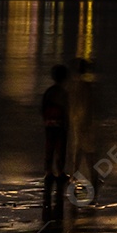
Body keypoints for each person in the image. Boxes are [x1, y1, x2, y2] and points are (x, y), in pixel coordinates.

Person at [67, 57, 100, 203]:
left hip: (79, 123)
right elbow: (88, 107)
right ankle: (92, 179)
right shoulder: (85, 86)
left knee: (80, 152)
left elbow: (78, 106)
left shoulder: (75, 86)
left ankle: (76, 178)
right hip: (83, 124)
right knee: (87, 153)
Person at [41, 63, 70, 219]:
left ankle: (48, 171)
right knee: (60, 147)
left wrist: (45, 119)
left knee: (49, 146)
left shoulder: (49, 92)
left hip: (49, 124)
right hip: (59, 124)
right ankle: (59, 171)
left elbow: (43, 107)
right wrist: (67, 123)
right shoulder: (62, 93)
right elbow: (66, 110)